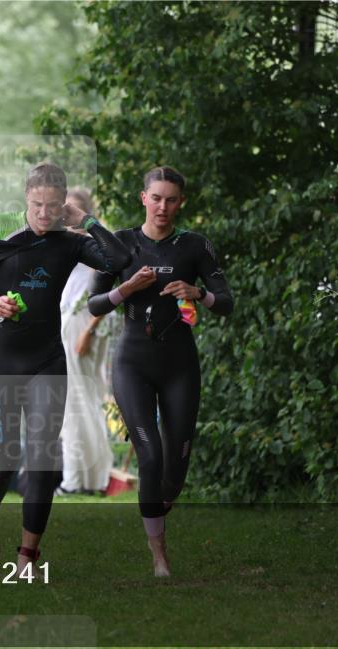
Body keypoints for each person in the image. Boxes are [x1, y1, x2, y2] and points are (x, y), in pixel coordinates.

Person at [0, 163, 130, 570]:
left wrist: (87, 221)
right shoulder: (0, 228)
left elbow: (120, 259)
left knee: (42, 458)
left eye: (53, 206)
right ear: (26, 198)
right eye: (37, 205)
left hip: (46, 359)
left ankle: (27, 555)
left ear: (63, 204)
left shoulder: (68, 242)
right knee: (3, 462)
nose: (43, 214)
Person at [87, 166, 234, 577]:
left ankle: (158, 503)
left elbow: (226, 302)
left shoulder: (194, 246)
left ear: (181, 203)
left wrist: (197, 292)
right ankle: (159, 556)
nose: (162, 207)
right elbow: (94, 304)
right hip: (132, 363)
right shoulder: (122, 244)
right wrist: (127, 288)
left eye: (171, 200)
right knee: (149, 456)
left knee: (175, 469)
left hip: (179, 365)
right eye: (156, 198)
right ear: (143, 199)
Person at [57, 187, 115, 494]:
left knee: (80, 402)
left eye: (73, 210)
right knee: (80, 402)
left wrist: (89, 330)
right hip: (73, 319)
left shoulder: (92, 245)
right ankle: (88, 478)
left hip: (85, 323)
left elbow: (105, 291)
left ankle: (78, 480)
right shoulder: (67, 244)